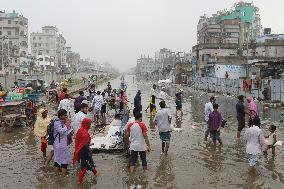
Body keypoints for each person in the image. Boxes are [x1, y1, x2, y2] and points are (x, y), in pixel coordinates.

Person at [73, 118, 97, 184]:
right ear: (87, 124)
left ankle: (96, 174)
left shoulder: (80, 130)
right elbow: (85, 145)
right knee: (84, 168)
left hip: (81, 152)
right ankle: (79, 182)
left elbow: (79, 142)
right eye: (90, 124)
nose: (90, 125)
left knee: (91, 164)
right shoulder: (85, 134)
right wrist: (89, 145)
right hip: (85, 153)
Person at [53, 109, 72, 175]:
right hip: (59, 145)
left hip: (62, 144)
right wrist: (67, 125)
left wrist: (68, 125)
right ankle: (63, 178)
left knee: (58, 161)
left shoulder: (62, 122)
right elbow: (61, 131)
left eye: (66, 115)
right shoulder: (57, 123)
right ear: (60, 116)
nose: (66, 116)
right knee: (64, 161)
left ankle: (56, 176)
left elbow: (67, 132)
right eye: (65, 115)